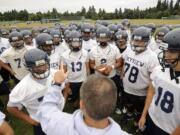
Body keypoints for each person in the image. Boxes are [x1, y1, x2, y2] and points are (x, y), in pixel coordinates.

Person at [37, 67, 130, 135]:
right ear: (113, 105)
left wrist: (57, 84)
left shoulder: (60, 125)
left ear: (81, 104)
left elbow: (46, 111)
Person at [138, 28, 180, 135]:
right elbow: (151, 92)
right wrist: (143, 115)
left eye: (171, 51)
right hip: (151, 118)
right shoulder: (159, 70)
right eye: (166, 50)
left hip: (169, 129)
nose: (166, 55)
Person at [7, 48, 57, 135]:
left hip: (57, 116)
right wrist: (29, 119)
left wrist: (64, 97)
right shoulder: (22, 88)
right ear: (29, 67)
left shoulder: (56, 73)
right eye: (37, 66)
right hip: (40, 121)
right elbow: (10, 108)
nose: (42, 69)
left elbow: (65, 85)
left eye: (43, 65)